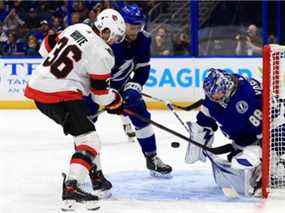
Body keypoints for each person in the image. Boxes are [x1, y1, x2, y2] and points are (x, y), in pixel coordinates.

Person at [24, 8, 126, 211]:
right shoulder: (104, 53)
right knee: (90, 141)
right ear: (105, 29)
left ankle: (97, 179)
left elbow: (45, 48)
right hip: (61, 95)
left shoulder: (77, 27)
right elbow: (100, 96)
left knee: (84, 135)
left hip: (38, 87)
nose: (114, 40)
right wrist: (117, 100)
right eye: (115, 35)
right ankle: (71, 187)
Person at [85, 4, 172, 189]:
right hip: (96, 87)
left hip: (122, 86)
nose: (137, 30)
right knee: (85, 125)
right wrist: (103, 93)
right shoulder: (108, 40)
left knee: (140, 113)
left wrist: (135, 86)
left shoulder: (144, 39)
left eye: (140, 26)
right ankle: (88, 166)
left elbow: (142, 68)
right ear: (122, 24)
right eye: (133, 27)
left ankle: (151, 157)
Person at [185, 68, 264, 196]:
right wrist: (199, 134)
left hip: (272, 131)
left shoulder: (247, 98)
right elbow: (205, 118)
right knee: (236, 163)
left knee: (252, 159)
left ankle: (272, 169)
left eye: (215, 94)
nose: (212, 98)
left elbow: (264, 131)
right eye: (210, 94)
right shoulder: (216, 96)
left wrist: (264, 160)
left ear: (225, 88)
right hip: (246, 137)